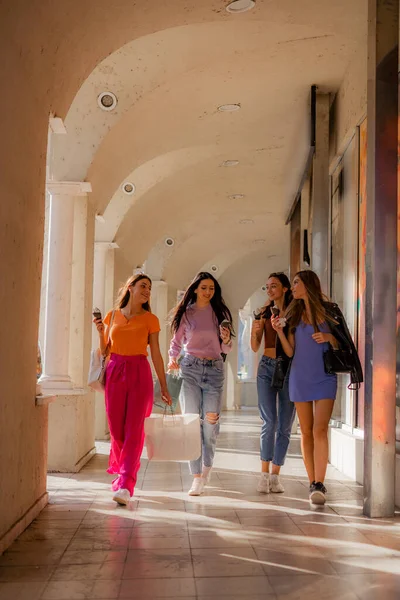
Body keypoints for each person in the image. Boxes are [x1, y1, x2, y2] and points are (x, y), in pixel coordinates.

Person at [271, 270, 362, 505]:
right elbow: (290, 352)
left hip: (325, 377)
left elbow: (344, 341)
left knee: (320, 430)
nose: (292, 288)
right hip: (299, 377)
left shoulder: (330, 311)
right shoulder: (293, 313)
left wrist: (329, 338)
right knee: (306, 431)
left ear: (308, 284)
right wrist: (279, 331)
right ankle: (312, 482)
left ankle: (320, 482)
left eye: (296, 283)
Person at [93, 273, 171, 506]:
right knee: (116, 429)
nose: (147, 291)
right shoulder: (112, 315)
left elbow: (156, 353)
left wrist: (163, 386)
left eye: (149, 288)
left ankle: (126, 483)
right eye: (143, 286)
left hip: (139, 372)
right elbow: (105, 350)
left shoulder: (151, 319)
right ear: (130, 288)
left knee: (135, 429)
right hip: (115, 370)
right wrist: (100, 333)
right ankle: (121, 474)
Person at [168, 272, 233, 496]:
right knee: (192, 423)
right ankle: (196, 477)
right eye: (204, 287)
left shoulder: (220, 313)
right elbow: (176, 342)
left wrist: (226, 340)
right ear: (195, 289)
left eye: (211, 288)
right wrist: (171, 360)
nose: (208, 292)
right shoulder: (187, 313)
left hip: (214, 370)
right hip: (190, 370)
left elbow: (226, 349)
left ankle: (206, 469)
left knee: (210, 426)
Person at [251, 272, 295, 495]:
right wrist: (255, 331)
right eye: (267, 286)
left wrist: (281, 328)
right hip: (267, 367)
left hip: (289, 369)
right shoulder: (262, 313)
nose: (269, 290)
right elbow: (254, 346)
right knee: (270, 421)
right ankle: (264, 474)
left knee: (285, 425)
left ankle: (276, 476)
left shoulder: (295, 313)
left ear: (285, 289)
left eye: (274, 286)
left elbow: (292, 350)